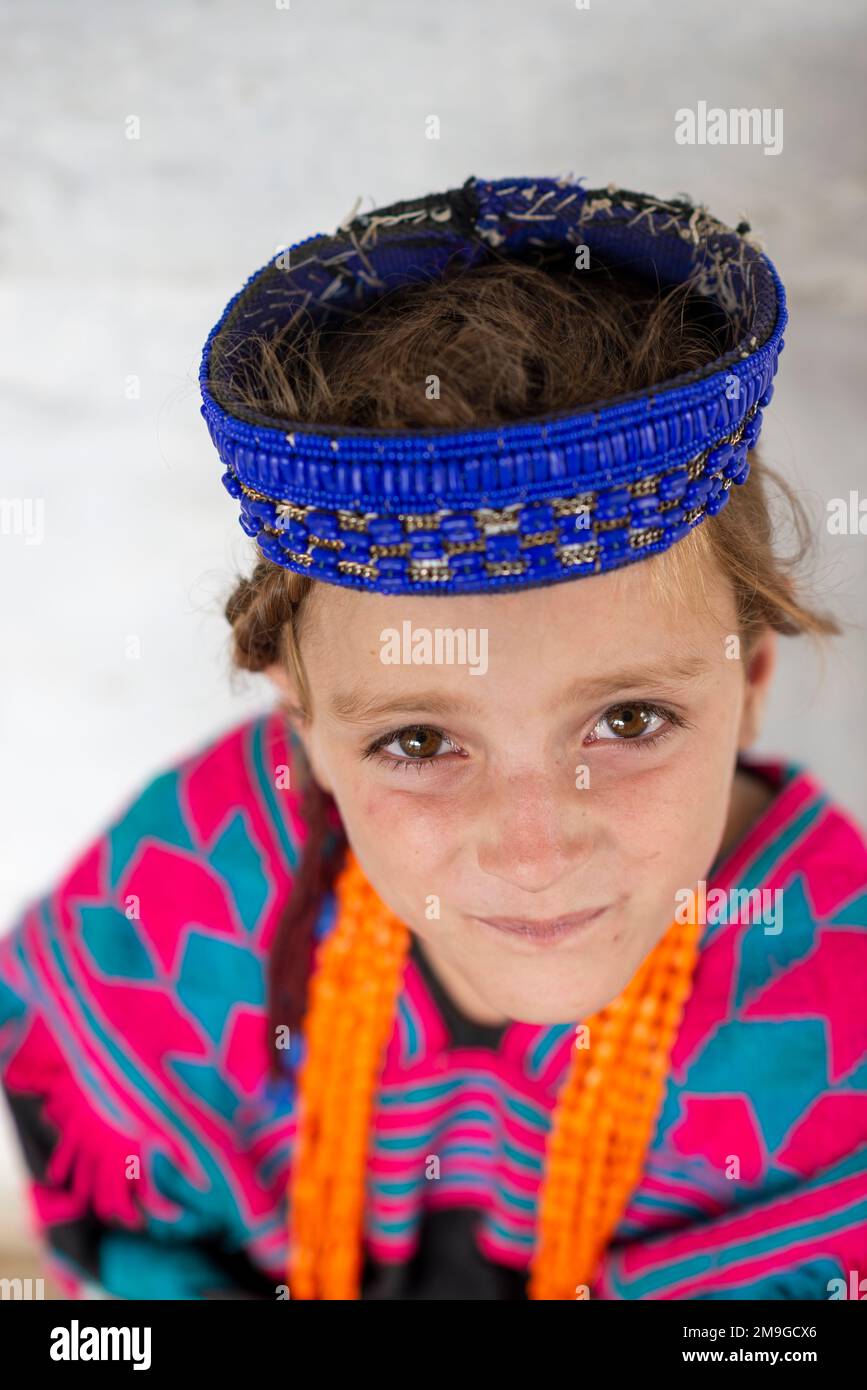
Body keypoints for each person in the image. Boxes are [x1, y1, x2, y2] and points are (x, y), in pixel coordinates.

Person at [2, 176, 865, 1300]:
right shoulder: (198, 895)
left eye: (631, 720)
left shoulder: (838, 1021)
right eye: (417, 740)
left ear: (749, 685)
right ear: (303, 722)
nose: (533, 849)